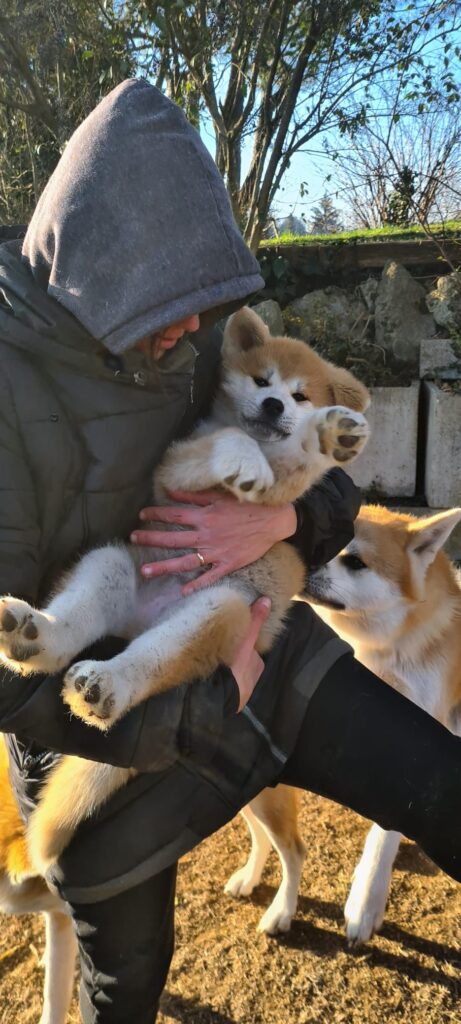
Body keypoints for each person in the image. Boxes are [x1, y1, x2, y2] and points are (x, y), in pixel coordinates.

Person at [0, 79, 460, 1024]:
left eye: (203, 311)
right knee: (127, 968)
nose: (193, 335)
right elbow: (9, 685)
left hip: (254, 622)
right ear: (101, 271)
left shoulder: (195, 330)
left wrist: (279, 523)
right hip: (102, 701)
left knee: (439, 783)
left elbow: (328, 485)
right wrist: (216, 692)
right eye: (169, 310)